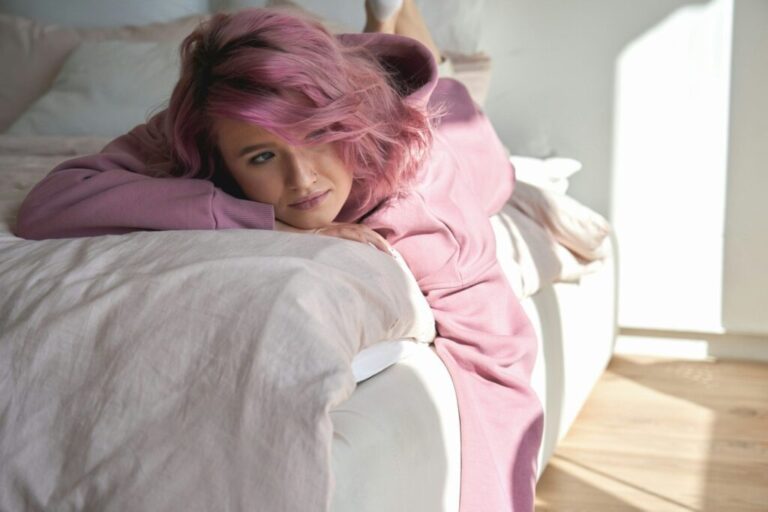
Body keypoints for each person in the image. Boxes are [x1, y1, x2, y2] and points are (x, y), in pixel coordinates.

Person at [15, 2, 544, 510]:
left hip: (464, 142)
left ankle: (395, 24)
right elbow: (50, 204)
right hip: (328, 85)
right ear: (217, 154)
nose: (302, 179)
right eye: (263, 157)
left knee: (445, 97)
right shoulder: (220, 118)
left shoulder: (420, 201)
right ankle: (370, 39)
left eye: (317, 138)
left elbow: (500, 365)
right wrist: (259, 219)